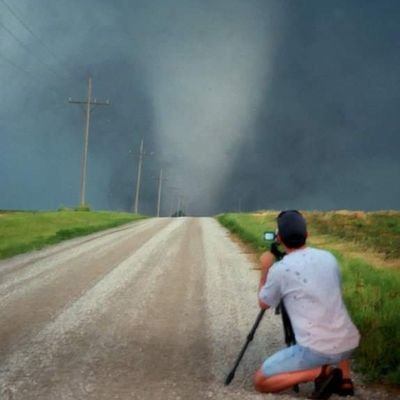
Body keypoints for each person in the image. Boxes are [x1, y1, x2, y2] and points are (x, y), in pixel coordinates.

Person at [254, 210, 360, 399]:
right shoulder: (329, 258)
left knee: (261, 382)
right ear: (307, 235)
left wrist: (265, 268)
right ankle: (345, 380)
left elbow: (263, 303)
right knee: (332, 313)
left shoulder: (280, 269)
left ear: (279, 238)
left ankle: (323, 373)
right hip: (348, 342)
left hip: (316, 350)